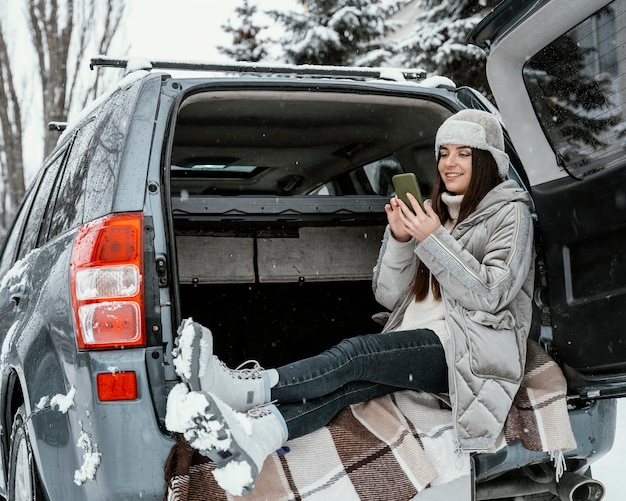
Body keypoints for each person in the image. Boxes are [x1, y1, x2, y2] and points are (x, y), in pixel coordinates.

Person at [168, 109, 536, 496]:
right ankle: (256, 439)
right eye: (443, 153)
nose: (449, 163)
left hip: (468, 350)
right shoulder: (438, 214)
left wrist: (432, 239)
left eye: (464, 153)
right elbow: (391, 296)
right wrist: (401, 239)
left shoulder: (510, 213)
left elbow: (492, 294)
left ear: (488, 161)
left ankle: (244, 388)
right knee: (348, 388)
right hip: (422, 339)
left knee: (355, 355)